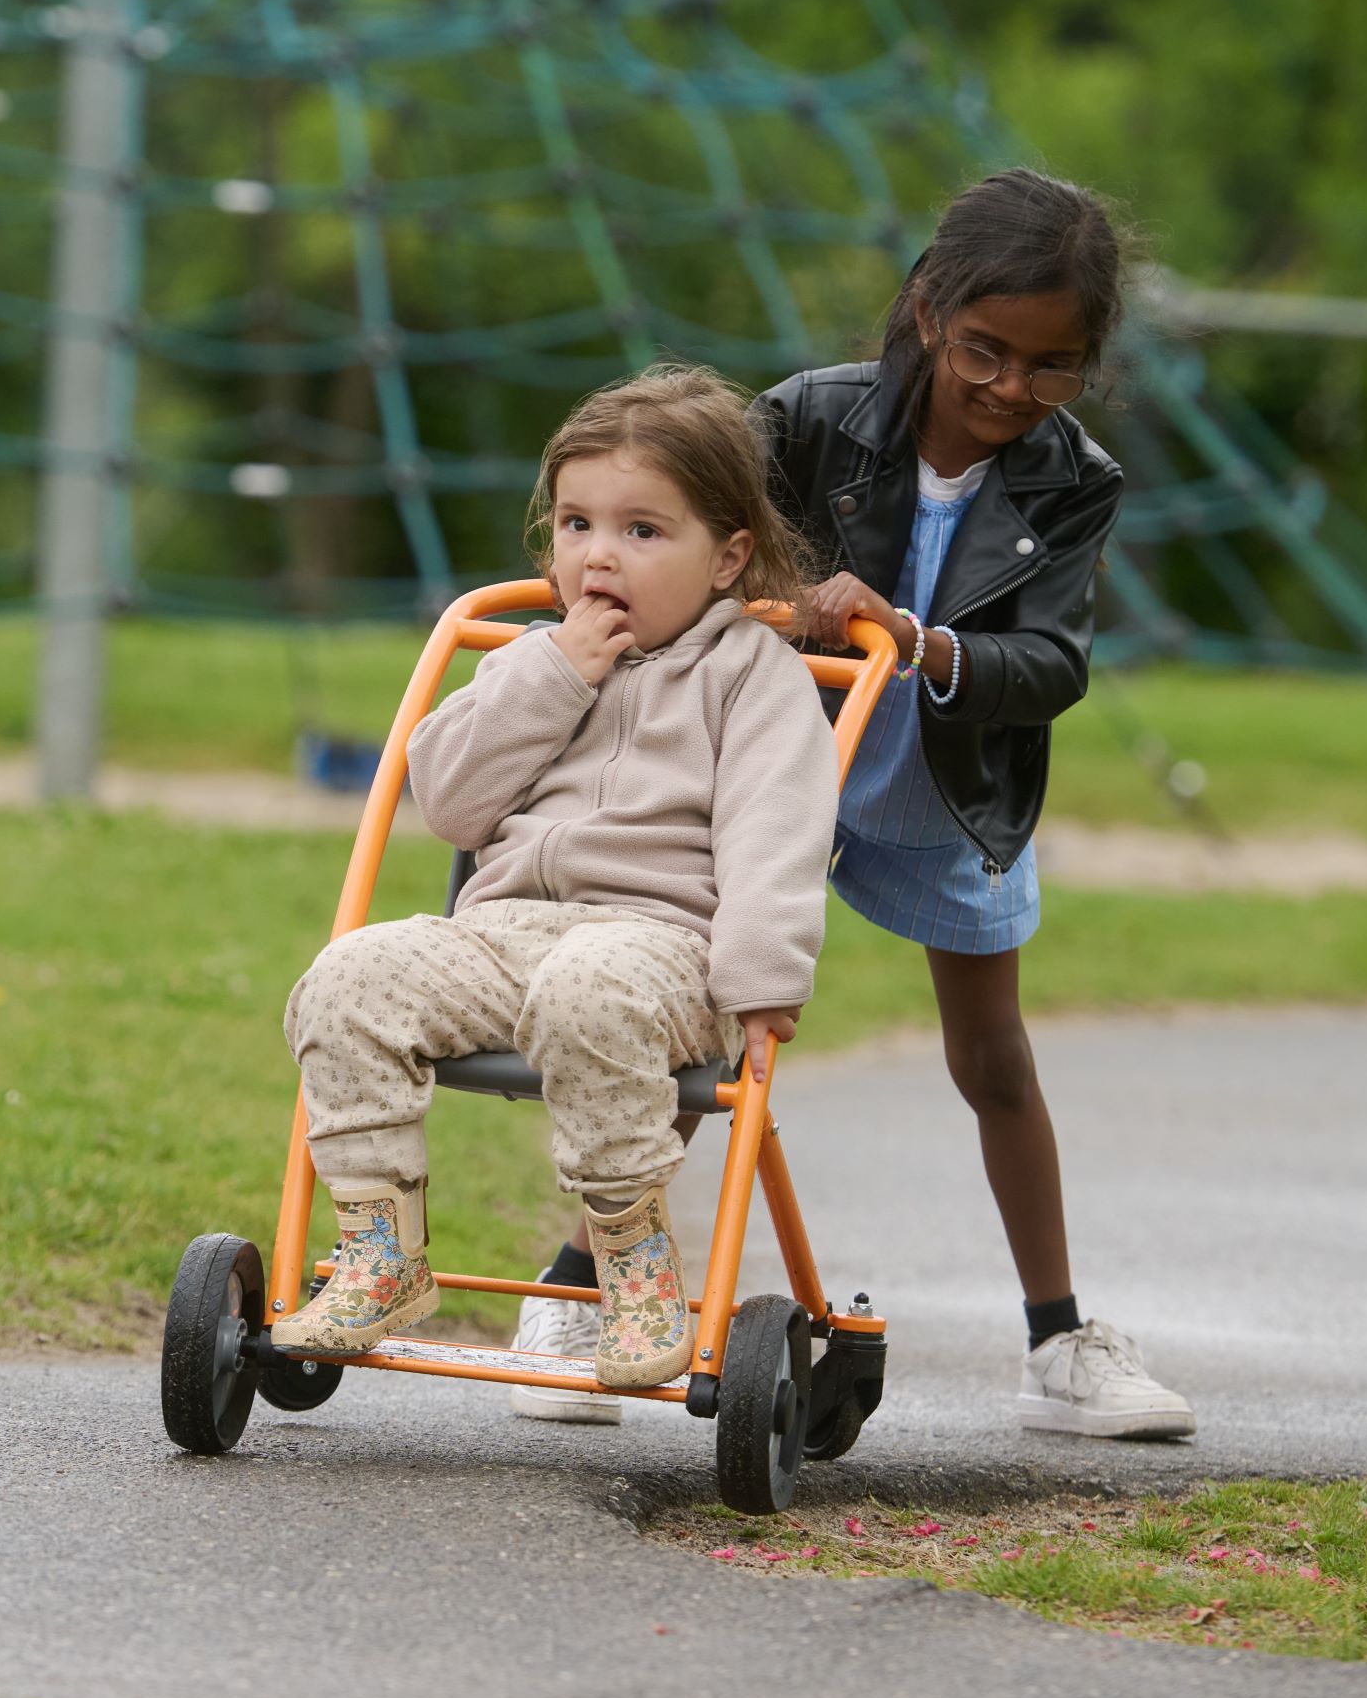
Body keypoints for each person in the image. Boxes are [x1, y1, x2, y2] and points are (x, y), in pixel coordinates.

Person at [510, 168, 1196, 1438]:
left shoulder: (1071, 478)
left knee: (992, 1058)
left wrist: (920, 640)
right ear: (929, 309)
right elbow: (692, 546)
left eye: (1053, 369)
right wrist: (774, 600)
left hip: (942, 779)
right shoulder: (807, 419)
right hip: (767, 762)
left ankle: (1062, 1342)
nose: (1007, 388)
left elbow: (1050, 667)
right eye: (987, 349)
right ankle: (580, 1287)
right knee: (692, 1019)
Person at [272, 365, 839, 1389]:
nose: (598, 555)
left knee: (592, 990)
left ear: (727, 559)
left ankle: (631, 1266)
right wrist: (551, 675)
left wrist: (763, 980)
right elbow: (447, 801)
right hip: (505, 934)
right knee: (346, 977)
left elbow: (777, 832)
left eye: (642, 532)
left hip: (662, 951)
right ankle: (379, 1251)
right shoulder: (536, 660)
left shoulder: (753, 677)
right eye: (575, 524)